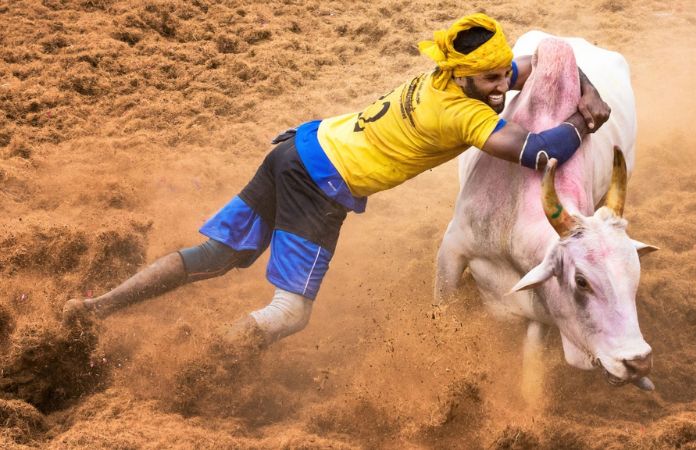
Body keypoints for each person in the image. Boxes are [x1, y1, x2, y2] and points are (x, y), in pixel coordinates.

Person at [63, 14, 610, 347]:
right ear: (461, 75)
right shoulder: (460, 115)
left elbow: (545, 57)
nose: (500, 89)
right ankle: (202, 357)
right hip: (320, 183)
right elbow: (538, 151)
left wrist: (578, 79)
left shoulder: (452, 75)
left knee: (215, 256)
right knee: (290, 313)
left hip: (296, 148)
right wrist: (587, 116)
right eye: (490, 80)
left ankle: (94, 310)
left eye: (501, 77)